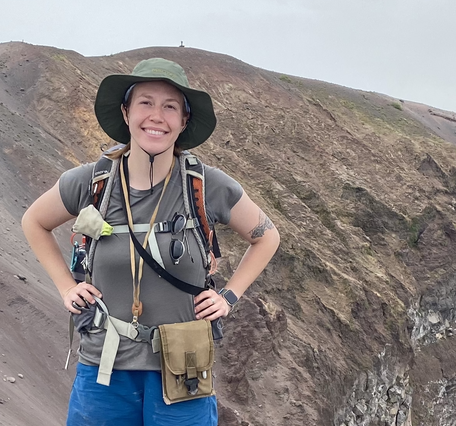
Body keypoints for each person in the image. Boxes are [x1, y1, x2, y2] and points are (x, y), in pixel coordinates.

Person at [22, 57, 280, 426]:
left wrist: (229, 297)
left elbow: (267, 237)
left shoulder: (207, 186)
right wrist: (66, 286)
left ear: (183, 121)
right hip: (104, 369)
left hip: (184, 371)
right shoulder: (92, 182)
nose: (156, 116)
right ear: (126, 112)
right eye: (145, 102)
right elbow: (33, 221)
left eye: (170, 107)